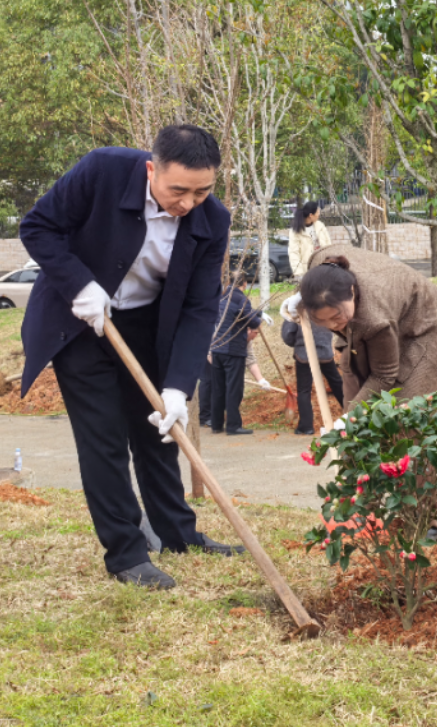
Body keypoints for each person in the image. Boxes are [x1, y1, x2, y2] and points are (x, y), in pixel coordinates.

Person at [19, 125, 245, 590]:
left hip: (146, 327)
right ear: (151, 170)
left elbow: (200, 306)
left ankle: (179, 534)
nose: (188, 203)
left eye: (202, 191)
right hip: (80, 322)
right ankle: (126, 553)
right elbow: (38, 227)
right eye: (178, 190)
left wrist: (179, 387)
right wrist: (79, 284)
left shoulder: (212, 220)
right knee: (103, 438)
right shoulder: (102, 170)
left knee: (160, 431)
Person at [280, 247, 437, 415]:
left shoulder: (373, 319)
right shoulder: (320, 262)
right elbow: (317, 287)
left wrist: (351, 416)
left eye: (336, 317)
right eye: (322, 320)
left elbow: (384, 375)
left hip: (425, 316)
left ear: (351, 292)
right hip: (385, 309)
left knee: (408, 407)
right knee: (353, 371)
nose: (331, 325)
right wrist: (302, 296)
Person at [209, 273, 263, 435]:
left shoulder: (220, 297)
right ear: (245, 283)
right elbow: (251, 321)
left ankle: (216, 424)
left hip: (217, 347)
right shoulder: (241, 299)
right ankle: (233, 425)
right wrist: (258, 317)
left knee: (218, 387)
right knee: (234, 388)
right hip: (233, 349)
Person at [281, 316, 346, 435]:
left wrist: (296, 342)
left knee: (304, 390)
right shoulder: (323, 300)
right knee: (336, 382)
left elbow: (288, 334)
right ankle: (351, 412)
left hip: (304, 352)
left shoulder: (297, 305)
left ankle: (306, 426)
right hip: (325, 351)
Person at [198, 340, 272, 428]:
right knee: (208, 380)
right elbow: (209, 352)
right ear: (248, 329)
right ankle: (206, 418)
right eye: (255, 332)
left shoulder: (246, 338)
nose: (255, 336)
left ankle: (221, 416)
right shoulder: (224, 331)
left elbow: (250, 358)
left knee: (228, 384)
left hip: (224, 354)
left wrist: (260, 379)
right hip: (208, 350)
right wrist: (221, 370)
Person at [288, 201, 331, 280]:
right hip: (307, 270)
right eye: (317, 212)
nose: (319, 214)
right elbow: (294, 253)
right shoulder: (296, 231)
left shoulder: (320, 226)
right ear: (311, 215)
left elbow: (329, 245)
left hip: (323, 266)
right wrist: (298, 273)